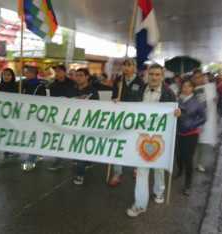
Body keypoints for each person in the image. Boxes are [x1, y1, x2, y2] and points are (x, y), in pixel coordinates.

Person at [126, 63, 180, 217]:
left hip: (160, 139)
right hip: (141, 137)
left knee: (158, 168)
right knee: (142, 171)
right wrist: (119, 104)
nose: (154, 77)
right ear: (147, 75)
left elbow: (179, 110)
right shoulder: (138, 89)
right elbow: (128, 105)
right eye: (152, 74)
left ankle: (159, 191)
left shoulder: (169, 93)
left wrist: (178, 112)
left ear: (162, 76)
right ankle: (140, 204)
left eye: (157, 74)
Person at [108, 59, 145, 187]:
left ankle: (136, 168)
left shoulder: (141, 82)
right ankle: (117, 173)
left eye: (130, 65)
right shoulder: (118, 80)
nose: (126, 68)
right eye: (125, 65)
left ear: (135, 67)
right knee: (118, 145)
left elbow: (142, 99)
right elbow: (113, 97)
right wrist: (115, 99)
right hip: (120, 118)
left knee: (136, 144)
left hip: (135, 119)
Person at [176, 80, 206, 196]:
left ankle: (188, 184)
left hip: (191, 134)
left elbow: (204, 118)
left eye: (188, 86)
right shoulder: (178, 100)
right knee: (178, 154)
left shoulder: (198, 102)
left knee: (188, 158)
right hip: (178, 132)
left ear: (193, 88)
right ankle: (180, 171)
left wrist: (192, 124)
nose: (185, 88)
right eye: (184, 86)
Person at [73, 68, 99, 186]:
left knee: (81, 148)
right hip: (73, 123)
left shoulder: (93, 92)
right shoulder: (72, 90)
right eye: (76, 75)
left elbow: (96, 108)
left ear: (87, 77)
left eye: (81, 75)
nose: (78, 77)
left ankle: (80, 174)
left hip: (86, 124)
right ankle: (86, 162)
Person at [48, 65, 77, 171]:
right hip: (59, 114)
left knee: (72, 135)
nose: (57, 73)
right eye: (56, 71)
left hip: (71, 114)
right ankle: (58, 159)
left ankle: (75, 157)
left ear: (64, 72)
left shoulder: (73, 84)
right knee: (59, 136)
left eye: (60, 71)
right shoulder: (52, 85)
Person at [20, 65, 47, 171]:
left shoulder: (40, 86)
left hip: (36, 114)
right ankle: (37, 153)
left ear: (33, 74)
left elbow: (42, 100)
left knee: (33, 136)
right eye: (25, 72)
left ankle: (31, 160)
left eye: (27, 72)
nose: (26, 74)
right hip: (26, 113)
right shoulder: (23, 84)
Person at [0, 68, 19, 160]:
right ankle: (7, 150)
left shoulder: (17, 86)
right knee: (4, 132)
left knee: (12, 132)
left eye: (8, 75)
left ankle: (12, 149)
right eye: (4, 74)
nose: (6, 77)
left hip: (13, 113)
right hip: (2, 114)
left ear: (12, 76)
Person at [192, 70, 208, 172]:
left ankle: (200, 163)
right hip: (193, 120)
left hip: (202, 119)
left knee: (201, 143)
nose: (198, 79)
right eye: (196, 77)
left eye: (200, 77)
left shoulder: (207, 88)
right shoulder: (192, 89)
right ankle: (192, 163)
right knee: (194, 143)